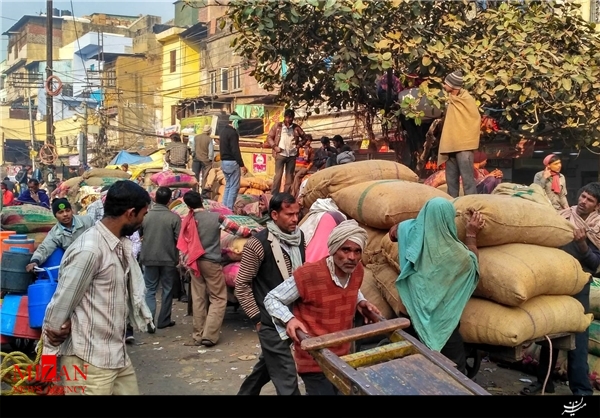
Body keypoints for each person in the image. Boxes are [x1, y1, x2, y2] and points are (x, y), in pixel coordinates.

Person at [41, 180, 153, 395]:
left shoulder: (119, 246)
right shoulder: (90, 250)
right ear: (130, 213)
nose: (142, 221)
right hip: (88, 361)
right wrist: (46, 369)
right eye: (143, 215)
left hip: (116, 354)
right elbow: (59, 309)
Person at [264, 220, 381, 395]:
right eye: (346, 250)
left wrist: (360, 302)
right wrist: (289, 319)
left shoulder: (357, 271)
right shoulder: (309, 274)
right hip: (314, 359)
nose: (352, 257)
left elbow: (351, 288)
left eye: (357, 251)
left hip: (343, 357)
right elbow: (272, 298)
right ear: (334, 250)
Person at [389, 197, 484, 374]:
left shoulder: (409, 232)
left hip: (408, 315)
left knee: (405, 368)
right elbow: (474, 265)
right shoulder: (459, 256)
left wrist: (416, 222)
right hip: (442, 325)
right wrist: (471, 235)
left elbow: (393, 232)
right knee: (455, 372)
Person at [521, 183, 599, 396]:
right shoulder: (564, 215)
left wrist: (583, 244)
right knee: (550, 333)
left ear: (597, 206)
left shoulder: (597, 228)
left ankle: (581, 390)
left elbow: (594, 264)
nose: (583, 201)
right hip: (555, 282)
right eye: (583, 196)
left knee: (578, 337)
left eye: (590, 200)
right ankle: (545, 383)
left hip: (578, 285)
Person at [235, 193, 306, 395]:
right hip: (269, 320)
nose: (294, 219)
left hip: (292, 317)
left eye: (297, 214)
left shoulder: (299, 238)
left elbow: (300, 276)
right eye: (289, 214)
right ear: (274, 215)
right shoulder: (257, 244)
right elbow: (242, 284)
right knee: (287, 375)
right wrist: (257, 318)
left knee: (268, 365)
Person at [180, 191, 227, 347]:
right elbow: (237, 230)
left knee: (199, 297)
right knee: (218, 298)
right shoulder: (216, 217)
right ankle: (210, 335)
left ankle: (198, 335)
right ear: (202, 201)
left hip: (194, 262)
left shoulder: (187, 220)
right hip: (211, 262)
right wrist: (251, 232)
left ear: (188, 206)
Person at [139, 187, 181, 331]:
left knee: (150, 289)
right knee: (167, 289)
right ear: (170, 200)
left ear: (155, 199)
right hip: (168, 258)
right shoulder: (174, 218)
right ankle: (164, 320)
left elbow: (140, 233)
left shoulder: (146, 216)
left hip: (149, 257)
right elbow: (179, 240)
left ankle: (149, 322)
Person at [437, 70, 481, 198]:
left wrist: (464, 138)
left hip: (464, 148)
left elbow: (474, 119)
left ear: (453, 85)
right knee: (451, 183)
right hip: (451, 146)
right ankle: (452, 208)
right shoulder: (451, 100)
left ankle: (472, 207)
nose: (444, 85)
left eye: (446, 83)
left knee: (468, 182)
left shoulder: (466, 100)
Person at [25, 198, 95, 272]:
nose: (65, 214)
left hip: (94, 258)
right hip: (75, 264)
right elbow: (44, 248)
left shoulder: (87, 221)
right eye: (60, 212)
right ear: (55, 216)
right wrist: (34, 261)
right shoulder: (55, 233)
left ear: (72, 211)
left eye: (67, 210)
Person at [267, 109, 307, 195]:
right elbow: (269, 137)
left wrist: (298, 145)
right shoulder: (278, 126)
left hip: (292, 155)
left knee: (289, 177)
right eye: (288, 117)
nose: (289, 120)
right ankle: (274, 195)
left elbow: (305, 138)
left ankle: (286, 196)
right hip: (280, 154)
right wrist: (275, 147)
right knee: (278, 176)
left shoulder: (296, 128)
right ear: (284, 117)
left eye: (291, 118)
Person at [219, 114, 247, 210]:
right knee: (234, 187)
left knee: (228, 186)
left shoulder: (223, 132)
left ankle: (224, 208)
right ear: (234, 122)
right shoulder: (233, 133)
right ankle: (229, 209)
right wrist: (242, 164)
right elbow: (235, 150)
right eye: (238, 123)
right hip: (232, 162)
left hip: (224, 162)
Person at [192, 125, 214, 197]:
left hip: (196, 159)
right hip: (205, 160)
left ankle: (195, 192)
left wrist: (193, 155)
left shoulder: (196, 137)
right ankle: (203, 193)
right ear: (209, 131)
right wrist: (210, 159)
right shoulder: (209, 139)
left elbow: (193, 149)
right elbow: (210, 151)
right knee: (205, 176)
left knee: (195, 176)